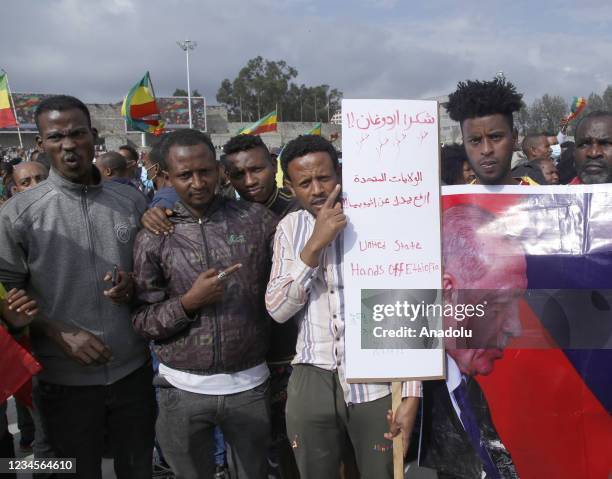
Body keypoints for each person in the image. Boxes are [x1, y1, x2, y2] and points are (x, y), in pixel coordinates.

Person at [0, 95, 155, 479]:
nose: (68, 144)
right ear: (41, 144)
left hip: (132, 375)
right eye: (56, 137)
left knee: (137, 471)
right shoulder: (18, 214)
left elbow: (152, 277)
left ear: (93, 136)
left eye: (77, 133)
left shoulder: (131, 201)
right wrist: (57, 331)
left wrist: (132, 284)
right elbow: (7, 300)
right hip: (60, 383)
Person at [265, 135, 421, 479]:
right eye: (305, 182)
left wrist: (411, 394)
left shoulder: (379, 219)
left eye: (325, 177)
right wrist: (314, 247)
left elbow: (409, 301)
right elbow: (277, 309)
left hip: (377, 378)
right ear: (290, 187)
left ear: (340, 172)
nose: (318, 189)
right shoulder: (290, 228)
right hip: (312, 372)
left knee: (382, 472)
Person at [132, 129, 278, 479]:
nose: (197, 183)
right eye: (184, 175)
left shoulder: (256, 221)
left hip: (250, 388)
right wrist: (187, 303)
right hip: (181, 393)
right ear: (167, 177)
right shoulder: (154, 235)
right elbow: (141, 319)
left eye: (205, 172)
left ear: (218, 170)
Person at [419, 204, 526, 478]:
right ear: (449, 292)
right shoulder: (414, 397)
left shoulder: (470, 392)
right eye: (500, 303)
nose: (515, 327)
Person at [446, 78, 538, 185]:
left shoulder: (545, 198)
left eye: (495, 137)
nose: (486, 150)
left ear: (514, 138)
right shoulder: (451, 201)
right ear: (464, 144)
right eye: (475, 140)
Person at [569, 111, 612, 184]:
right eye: (584, 144)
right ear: (574, 152)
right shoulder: (555, 194)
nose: (593, 153)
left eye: (605, 144)